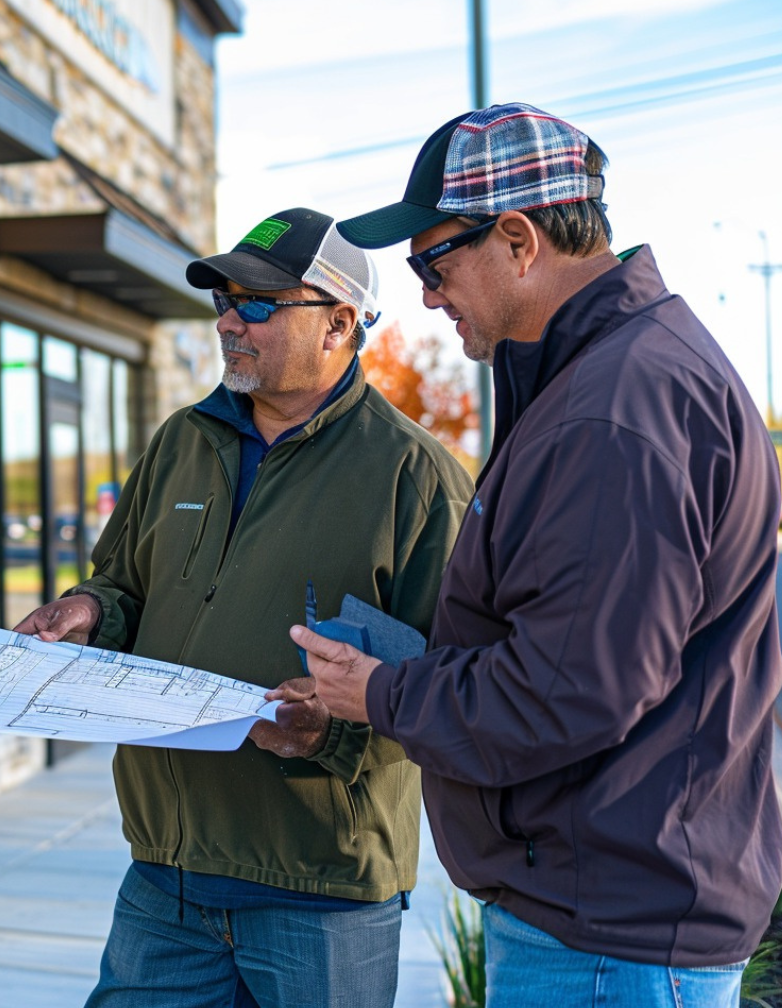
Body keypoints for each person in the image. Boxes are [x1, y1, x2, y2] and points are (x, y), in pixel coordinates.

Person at [290, 103, 782, 1007]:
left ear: (517, 240)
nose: (426, 296)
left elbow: (572, 687)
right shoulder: (610, 376)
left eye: (432, 262)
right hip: (610, 907)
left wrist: (378, 692)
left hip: (605, 936)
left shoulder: (616, 407)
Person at [12, 206, 474, 1008]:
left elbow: (454, 683)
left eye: (258, 303)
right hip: (165, 876)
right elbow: (122, 584)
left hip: (318, 890)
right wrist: (88, 610)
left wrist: (331, 733)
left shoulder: (416, 477)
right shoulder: (180, 441)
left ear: (338, 322)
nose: (229, 321)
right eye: (224, 300)